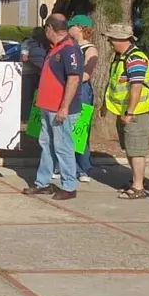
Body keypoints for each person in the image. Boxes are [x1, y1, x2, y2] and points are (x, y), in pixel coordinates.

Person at [22, 15, 83, 201]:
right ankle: (43, 182)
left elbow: (73, 78)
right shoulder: (56, 47)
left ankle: (69, 185)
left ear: (50, 28)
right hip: (48, 106)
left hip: (60, 109)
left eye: (45, 29)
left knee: (63, 146)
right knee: (46, 145)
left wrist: (64, 107)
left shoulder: (69, 49)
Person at [102, 23, 149, 200]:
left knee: (136, 149)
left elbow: (136, 87)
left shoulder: (135, 58)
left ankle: (138, 187)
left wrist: (130, 112)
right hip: (125, 111)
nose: (109, 41)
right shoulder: (121, 57)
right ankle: (136, 179)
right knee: (130, 147)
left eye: (111, 38)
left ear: (121, 39)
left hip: (136, 113)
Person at [67, 15, 98, 181]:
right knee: (67, 128)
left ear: (79, 27)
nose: (68, 29)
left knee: (80, 129)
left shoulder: (90, 49)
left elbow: (86, 74)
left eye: (71, 26)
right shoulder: (70, 46)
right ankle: (68, 165)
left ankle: (83, 167)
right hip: (69, 88)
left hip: (82, 90)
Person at [21, 27, 50, 121]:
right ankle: (25, 117)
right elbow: (24, 57)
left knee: (37, 98)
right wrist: (35, 66)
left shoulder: (45, 44)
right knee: (27, 97)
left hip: (40, 74)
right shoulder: (28, 43)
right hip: (28, 74)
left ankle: (35, 119)